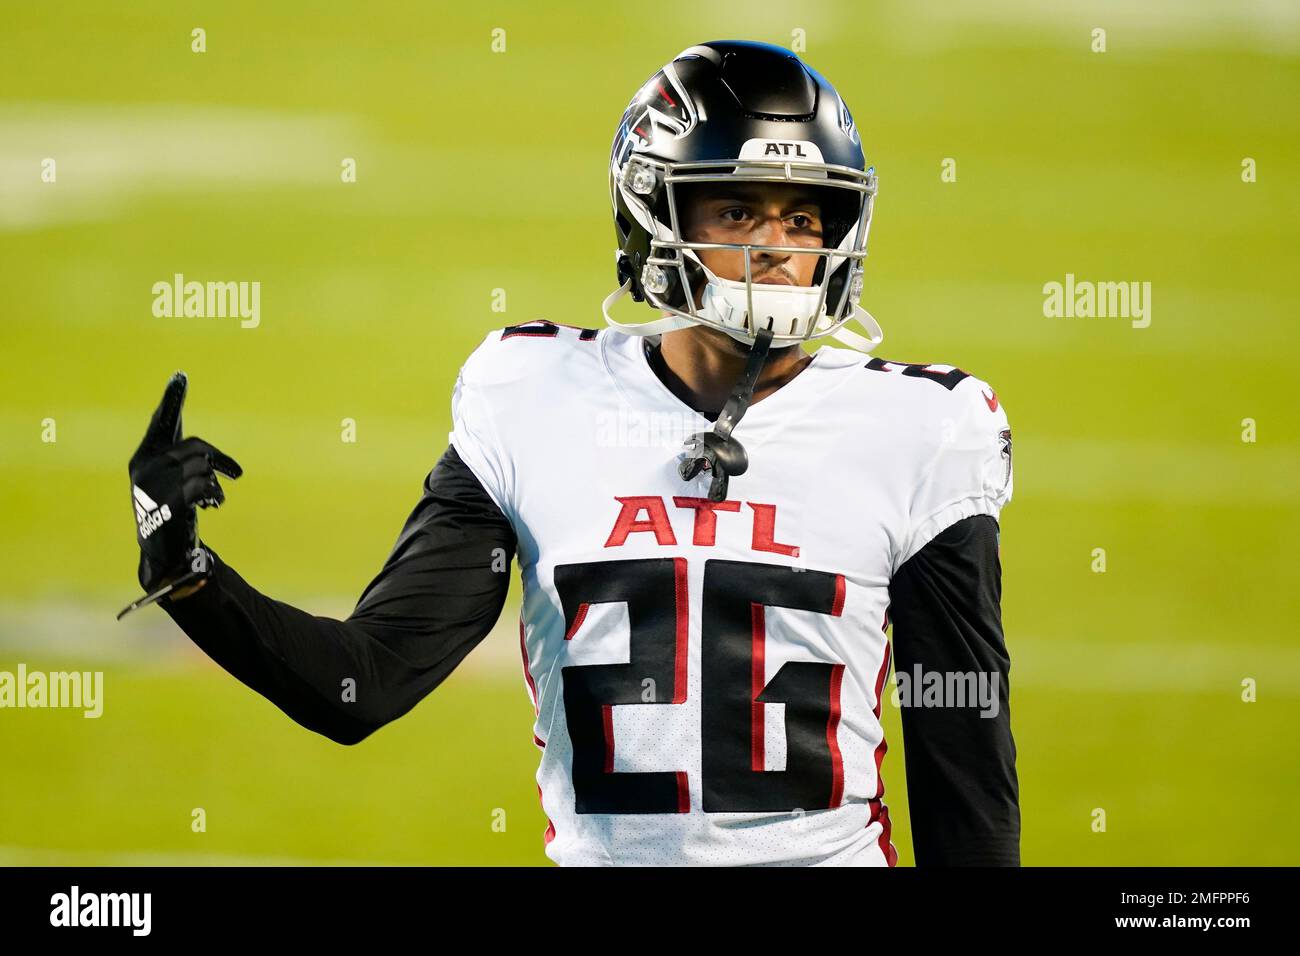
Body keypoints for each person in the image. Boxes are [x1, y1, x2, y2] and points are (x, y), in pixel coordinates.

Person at [122, 40, 1019, 866]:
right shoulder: (535, 398)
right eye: (739, 209)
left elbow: (964, 782)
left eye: (805, 217)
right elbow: (360, 684)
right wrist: (188, 570)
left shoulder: (918, 431)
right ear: (651, 212)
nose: (779, 249)